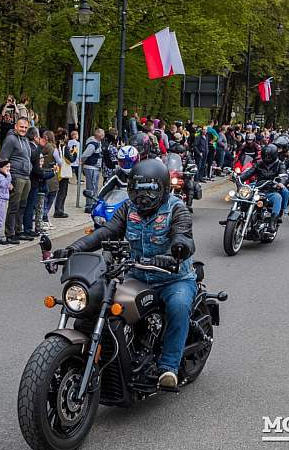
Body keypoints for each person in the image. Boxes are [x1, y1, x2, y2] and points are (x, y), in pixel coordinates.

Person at [53, 159, 196, 389]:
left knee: (178, 305)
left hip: (173, 276)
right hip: (137, 274)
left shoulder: (176, 207)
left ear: (164, 189)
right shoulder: (128, 208)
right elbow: (105, 233)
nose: (143, 197)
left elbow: (183, 235)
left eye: (149, 190)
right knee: (101, 300)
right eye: (138, 190)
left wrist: (178, 248)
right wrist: (74, 249)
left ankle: (168, 367)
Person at [0, 117, 34, 242]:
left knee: (22, 206)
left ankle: (19, 231)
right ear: (16, 127)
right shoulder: (11, 139)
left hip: (26, 176)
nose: (23, 129)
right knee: (14, 205)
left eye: (25, 127)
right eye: (21, 126)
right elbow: (3, 159)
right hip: (16, 176)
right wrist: (7, 179)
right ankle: (10, 233)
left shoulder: (25, 140)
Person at [239, 144, 287, 232]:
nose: (267, 157)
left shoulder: (280, 164)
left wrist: (280, 183)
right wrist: (239, 178)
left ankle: (273, 221)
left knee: (278, 197)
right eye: (265, 155)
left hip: (271, 189)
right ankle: (234, 216)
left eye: (269, 155)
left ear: (274, 155)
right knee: (243, 193)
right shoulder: (259, 163)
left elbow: (283, 175)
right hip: (258, 188)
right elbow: (249, 172)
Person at [80, 128, 105, 213]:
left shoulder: (98, 143)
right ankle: (89, 206)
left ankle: (93, 204)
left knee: (94, 187)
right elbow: (85, 155)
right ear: (98, 134)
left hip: (95, 168)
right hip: (91, 167)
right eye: (102, 133)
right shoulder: (93, 144)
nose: (104, 135)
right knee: (91, 187)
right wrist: (83, 161)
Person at [0, 160, 14, 245]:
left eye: (9, 167)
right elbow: (5, 185)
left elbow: (8, 186)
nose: (9, 169)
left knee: (0, 218)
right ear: (1, 168)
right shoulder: (0, 176)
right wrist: (8, 176)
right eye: (7, 167)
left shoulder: (1, 176)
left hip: (2, 199)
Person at [40, 130, 60, 229]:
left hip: (42, 173)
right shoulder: (53, 148)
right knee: (49, 199)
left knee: (43, 199)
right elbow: (59, 161)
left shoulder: (41, 147)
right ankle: (44, 218)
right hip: (52, 175)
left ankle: (44, 218)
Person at [53, 132, 72, 218]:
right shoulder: (65, 147)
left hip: (59, 171)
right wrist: (74, 152)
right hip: (63, 172)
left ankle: (59, 209)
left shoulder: (57, 146)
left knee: (61, 191)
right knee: (63, 191)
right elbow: (71, 159)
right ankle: (59, 210)